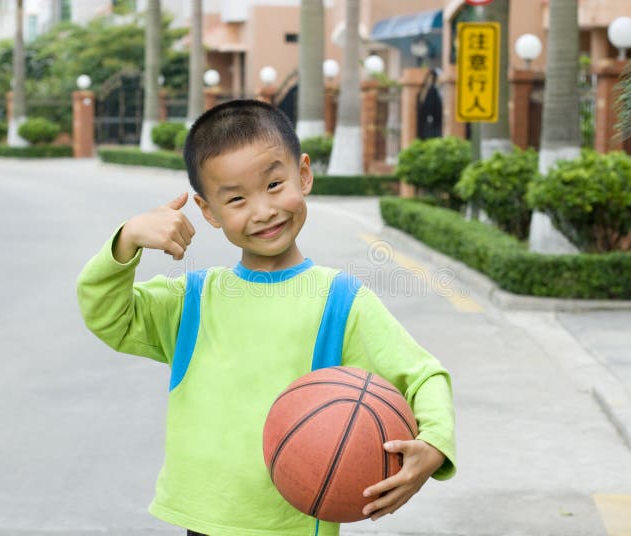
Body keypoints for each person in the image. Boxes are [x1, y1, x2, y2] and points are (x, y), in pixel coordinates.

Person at [76, 99, 456, 536]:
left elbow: (423, 375)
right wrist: (125, 241)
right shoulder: (193, 301)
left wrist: (432, 444)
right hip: (205, 522)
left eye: (275, 184)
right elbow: (108, 315)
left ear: (304, 174)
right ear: (208, 211)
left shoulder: (341, 301)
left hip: (295, 523)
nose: (263, 210)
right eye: (236, 198)